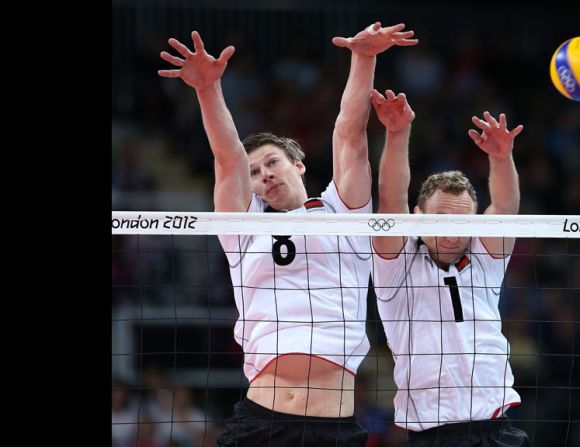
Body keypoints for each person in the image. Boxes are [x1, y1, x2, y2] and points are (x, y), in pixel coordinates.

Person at [158, 23, 417, 446]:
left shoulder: (343, 212)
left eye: (272, 162)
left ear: (297, 164)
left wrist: (363, 57)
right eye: (255, 172)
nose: (264, 175)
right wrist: (207, 90)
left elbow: (349, 136)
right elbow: (227, 160)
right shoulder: (243, 230)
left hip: (332, 425)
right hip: (260, 420)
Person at [370, 88, 530, 446]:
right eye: (440, 219)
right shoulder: (396, 266)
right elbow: (391, 198)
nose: (451, 232)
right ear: (417, 218)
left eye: (462, 223)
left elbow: (504, 208)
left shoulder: (486, 259)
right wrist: (397, 134)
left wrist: (502, 158)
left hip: (497, 429)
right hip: (432, 434)